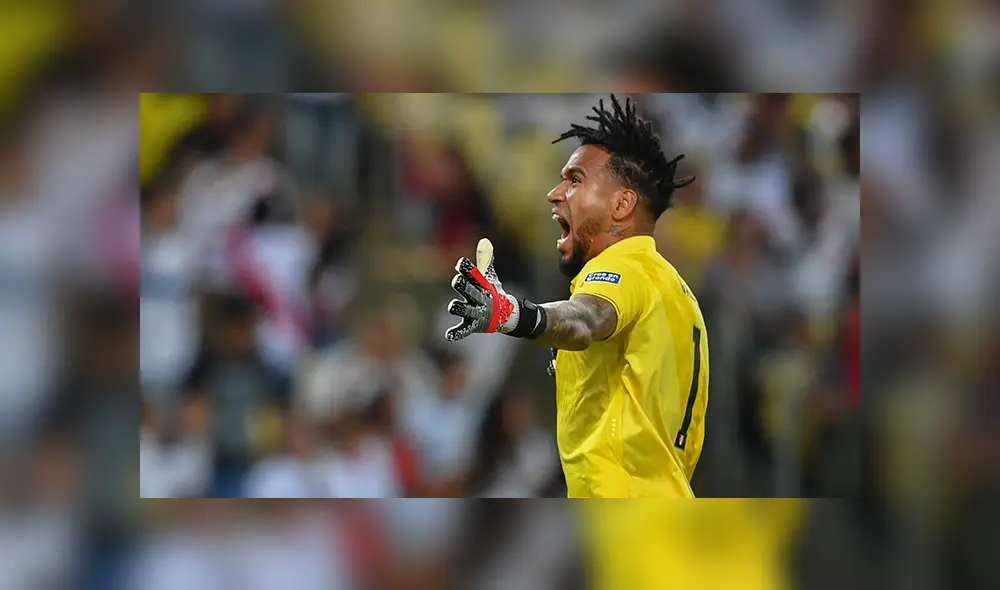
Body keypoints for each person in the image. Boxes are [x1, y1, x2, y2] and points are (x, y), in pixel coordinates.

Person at [444, 95, 709, 498]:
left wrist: (514, 314)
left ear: (622, 203)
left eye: (575, 180)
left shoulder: (626, 269)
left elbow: (587, 319)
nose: (555, 193)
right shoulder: (672, 288)